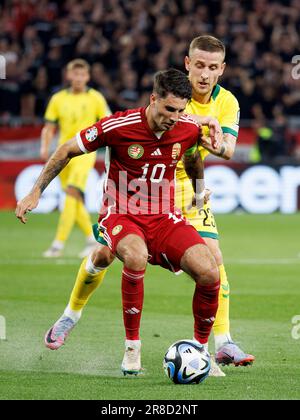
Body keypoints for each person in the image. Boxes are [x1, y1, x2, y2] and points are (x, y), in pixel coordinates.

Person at [16, 69, 221, 376]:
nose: (174, 118)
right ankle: (130, 348)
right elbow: (66, 149)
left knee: (209, 271)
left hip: (164, 216)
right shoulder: (119, 125)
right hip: (120, 212)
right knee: (134, 256)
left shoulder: (188, 128)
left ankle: (201, 352)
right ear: (153, 99)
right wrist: (35, 191)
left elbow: (192, 157)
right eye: (168, 110)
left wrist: (199, 190)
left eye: (180, 111)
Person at [177, 35, 255, 375]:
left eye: (212, 67)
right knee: (106, 256)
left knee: (214, 259)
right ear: (187, 64)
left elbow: (229, 149)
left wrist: (206, 137)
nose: (205, 74)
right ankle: (69, 315)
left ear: (221, 69)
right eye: (199, 66)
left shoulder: (228, 102)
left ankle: (222, 343)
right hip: (156, 184)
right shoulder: (173, 94)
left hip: (193, 187)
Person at [40, 59, 111, 258]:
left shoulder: (95, 98)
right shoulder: (58, 99)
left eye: (82, 75)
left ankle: (57, 244)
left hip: (84, 153)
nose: (79, 79)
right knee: (74, 198)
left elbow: (108, 120)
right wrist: (45, 147)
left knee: (71, 192)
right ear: (69, 76)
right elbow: (49, 126)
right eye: (75, 74)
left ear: (87, 77)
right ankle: (91, 238)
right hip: (63, 153)